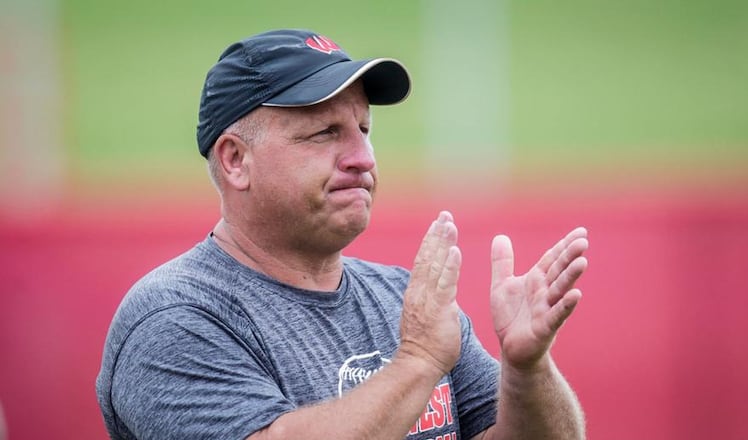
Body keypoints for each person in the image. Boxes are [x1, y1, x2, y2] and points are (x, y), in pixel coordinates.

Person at [96, 28, 590, 440]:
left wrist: (527, 370)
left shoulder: (404, 300)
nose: (364, 158)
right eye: (325, 133)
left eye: (365, 129)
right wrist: (417, 362)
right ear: (236, 160)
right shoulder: (175, 320)